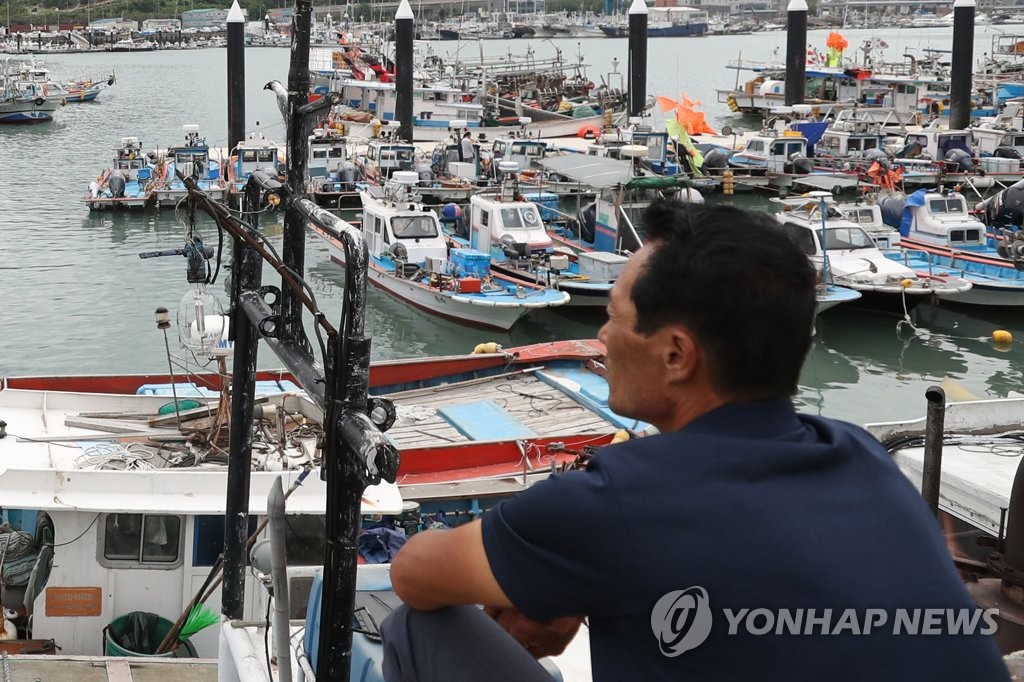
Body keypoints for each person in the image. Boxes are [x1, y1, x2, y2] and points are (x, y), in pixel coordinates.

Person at [382, 201, 1009, 682]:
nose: (601, 330)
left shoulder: (618, 500)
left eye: (616, 315)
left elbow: (414, 575)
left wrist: (557, 578)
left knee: (415, 626)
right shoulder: (861, 455)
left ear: (677, 353)